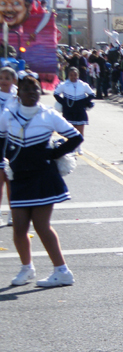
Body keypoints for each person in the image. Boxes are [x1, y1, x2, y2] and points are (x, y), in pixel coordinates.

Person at [3, 76, 82, 287]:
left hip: (43, 176)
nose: (31, 92)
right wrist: (7, 159)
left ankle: (62, 271)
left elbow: (75, 138)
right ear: (18, 93)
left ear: (40, 92)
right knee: (19, 229)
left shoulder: (48, 115)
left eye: (35, 88)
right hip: (19, 177)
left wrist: (53, 153)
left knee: (41, 225)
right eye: (26, 89)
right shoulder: (8, 115)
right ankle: (26, 268)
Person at [53, 67, 95, 156]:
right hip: (69, 110)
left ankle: (79, 147)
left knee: (80, 130)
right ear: (68, 75)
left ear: (78, 75)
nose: (73, 77)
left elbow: (92, 94)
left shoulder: (83, 85)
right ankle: (71, 148)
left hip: (80, 110)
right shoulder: (64, 84)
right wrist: (64, 102)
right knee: (70, 130)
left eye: (75, 75)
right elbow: (56, 94)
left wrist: (84, 102)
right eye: (71, 75)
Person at [0, 66, 17, 224]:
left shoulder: (18, 96)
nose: (3, 81)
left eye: (7, 78)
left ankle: (13, 214)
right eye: (1, 78)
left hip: (13, 141)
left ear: (14, 80)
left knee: (12, 179)